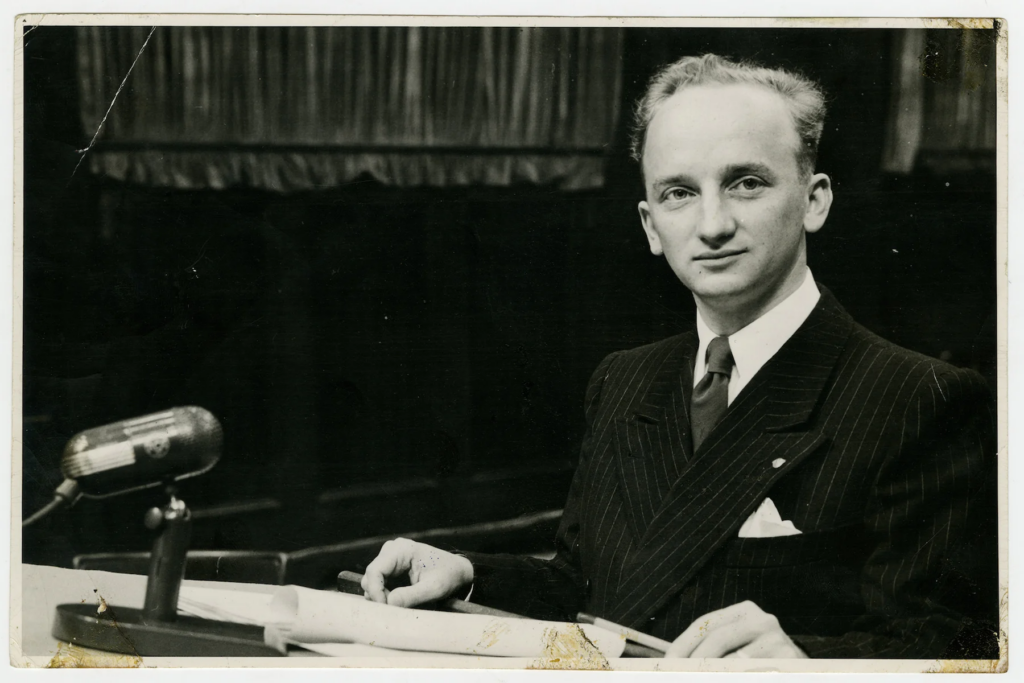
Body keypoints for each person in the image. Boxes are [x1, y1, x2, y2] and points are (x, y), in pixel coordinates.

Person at [360, 54, 997, 659]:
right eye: (678, 193)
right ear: (649, 226)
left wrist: (806, 662)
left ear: (814, 199)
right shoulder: (625, 379)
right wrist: (469, 576)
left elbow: (949, 643)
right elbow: (590, 590)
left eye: (746, 183)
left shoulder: (921, 398)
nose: (712, 224)